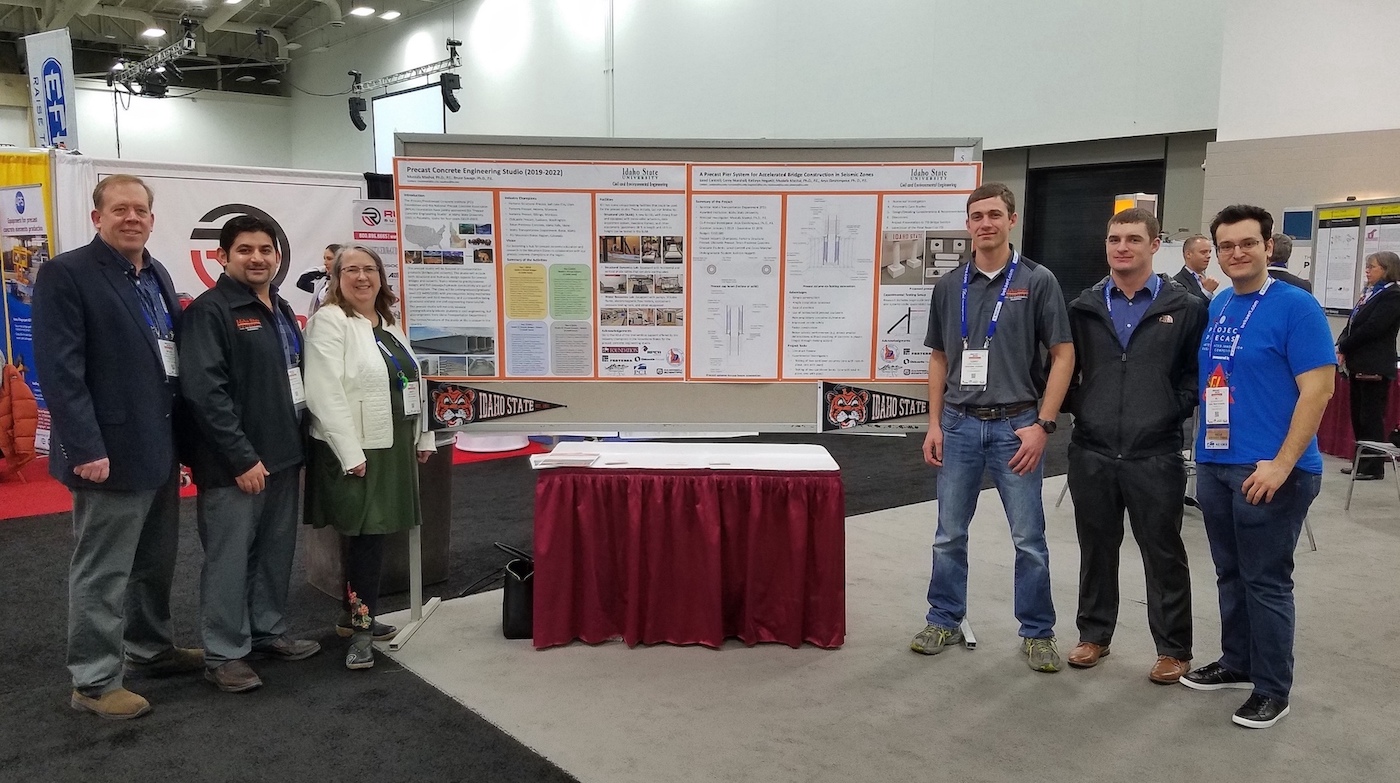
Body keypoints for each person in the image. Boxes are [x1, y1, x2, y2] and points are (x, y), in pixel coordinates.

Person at [32, 174, 203, 720]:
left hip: (158, 445)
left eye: (141, 210)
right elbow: (60, 369)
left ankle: (149, 649)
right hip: (104, 452)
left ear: (153, 219)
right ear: (97, 217)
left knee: (154, 561)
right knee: (103, 570)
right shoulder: (67, 273)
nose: (132, 218)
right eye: (119, 209)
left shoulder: (155, 273)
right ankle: (94, 680)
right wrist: (84, 444)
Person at [1180, 204, 1335, 730]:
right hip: (1217, 462)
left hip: (1271, 469)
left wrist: (1282, 464)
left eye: (1248, 243)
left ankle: (1273, 688)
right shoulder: (1221, 302)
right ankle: (1238, 661)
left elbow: (1318, 390)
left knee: (1267, 580)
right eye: (1226, 246)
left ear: (1269, 247)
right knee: (1229, 572)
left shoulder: (1298, 307)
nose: (1236, 253)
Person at [913, 182, 1074, 673]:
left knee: (1029, 538)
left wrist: (1044, 424)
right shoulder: (949, 286)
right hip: (960, 425)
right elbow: (940, 358)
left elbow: (1063, 353)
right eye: (977, 215)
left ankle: (1038, 632)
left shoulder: (1037, 280)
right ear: (968, 225)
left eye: (994, 214)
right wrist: (933, 424)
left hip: (1017, 426)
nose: (985, 223)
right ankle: (943, 618)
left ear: (1012, 219)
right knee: (948, 534)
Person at [1064, 208, 1208, 684]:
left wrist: (1171, 407)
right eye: (1113, 239)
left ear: (1154, 244)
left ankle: (1173, 649)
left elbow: (1196, 374)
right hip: (1093, 449)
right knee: (1096, 547)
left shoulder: (1186, 307)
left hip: (1156, 452)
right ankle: (1094, 635)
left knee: (1163, 551)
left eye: (1132, 238)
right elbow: (1062, 365)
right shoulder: (1083, 307)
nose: (1121, 247)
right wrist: (1080, 405)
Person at [178, 215, 321, 693]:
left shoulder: (279, 308)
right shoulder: (210, 311)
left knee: (274, 553)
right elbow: (205, 392)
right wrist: (240, 457)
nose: (257, 258)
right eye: (245, 250)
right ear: (223, 256)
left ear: (278, 257)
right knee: (229, 558)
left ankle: (267, 630)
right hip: (235, 463)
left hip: (283, 454)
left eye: (265, 249)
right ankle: (224, 653)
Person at [303, 245, 436, 670]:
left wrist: (425, 435)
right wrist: (349, 452)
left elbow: (415, 378)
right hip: (357, 448)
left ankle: (354, 616)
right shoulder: (330, 322)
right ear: (336, 278)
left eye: (370, 269)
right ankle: (361, 631)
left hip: (393, 442)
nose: (362, 277)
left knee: (375, 536)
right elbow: (324, 391)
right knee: (364, 537)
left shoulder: (390, 323)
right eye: (351, 270)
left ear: (381, 276)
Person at [1336, 251, 1400, 479]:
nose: (1367, 270)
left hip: (1374, 364)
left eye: (1372, 267)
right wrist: (1340, 344)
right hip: (1357, 363)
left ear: (1386, 269)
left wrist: (1346, 346)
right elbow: (1353, 322)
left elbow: (1374, 328)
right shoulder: (1369, 293)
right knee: (1358, 415)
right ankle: (1361, 462)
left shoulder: (1392, 295)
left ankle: (1373, 467)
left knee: (1370, 417)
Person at [296, 243, 341, 316]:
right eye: (324, 258)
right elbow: (300, 282)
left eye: (329, 259)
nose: (325, 263)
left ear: (339, 260)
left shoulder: (346, 283)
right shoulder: (323, 282)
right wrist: (323, 270)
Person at [1172, 235, 1217, 302]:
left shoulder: (1203, 279)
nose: (1208, 256)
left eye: (1209, 252)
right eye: (1203, 252)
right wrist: (1207, 292)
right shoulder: (1177, 283)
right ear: (1188, 254)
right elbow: (1188, 310)